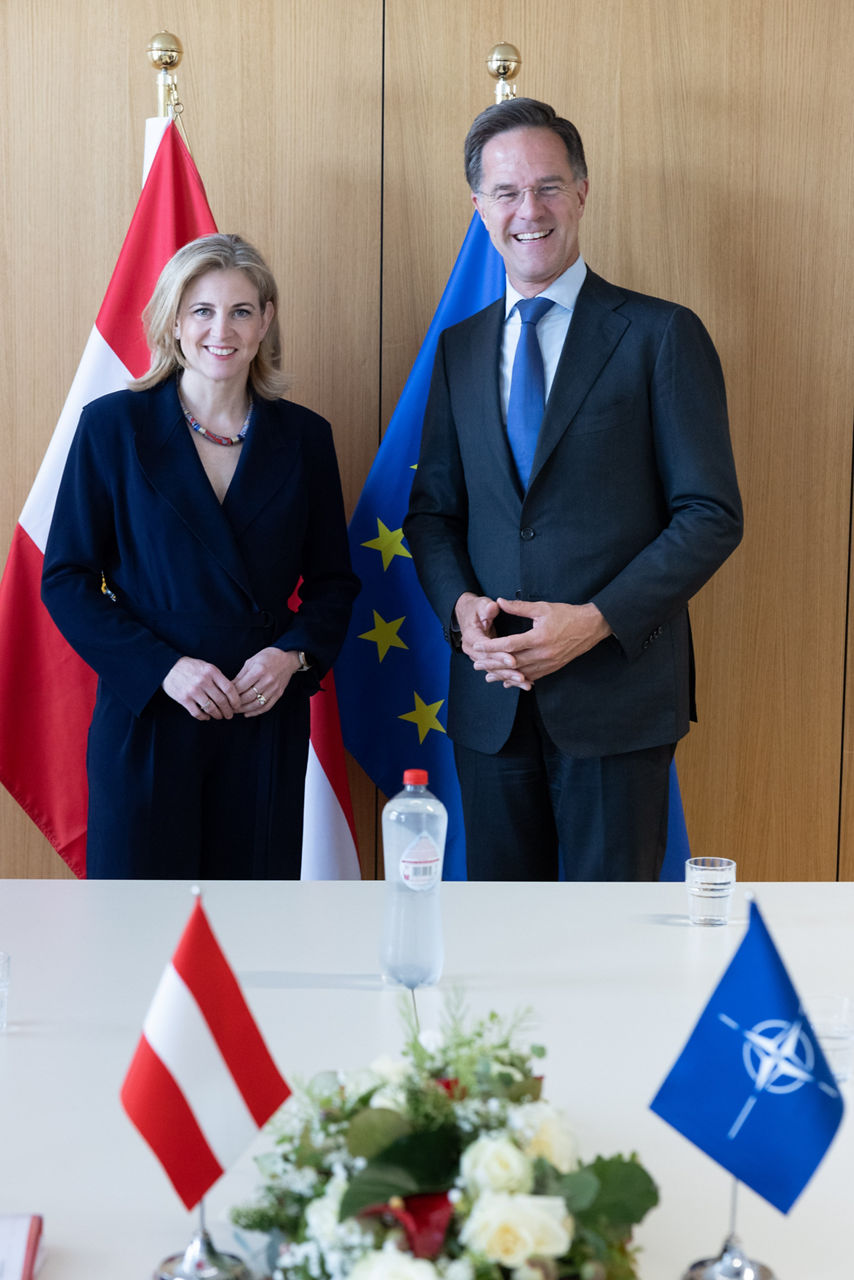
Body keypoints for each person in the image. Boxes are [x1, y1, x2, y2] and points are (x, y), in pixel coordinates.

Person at [404, 99, 742, 882]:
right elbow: (433, 514)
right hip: (491, 701)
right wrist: (461, 612)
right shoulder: (459, 350)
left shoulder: (661, 334)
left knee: (611, 937)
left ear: (582, 192)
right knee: (500, 936)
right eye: (507, 192)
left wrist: (593, 622)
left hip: (616, 701)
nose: (529, 210)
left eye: (548, 187)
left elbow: (710, 515)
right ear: (479, 207)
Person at [42, 234, 359, 879]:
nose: (222, 330)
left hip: (261, 714)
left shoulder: (305, 437)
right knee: (137, 925)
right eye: (203, 311)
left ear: (265, 321)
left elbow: (333, 583)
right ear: (175, 323)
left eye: (241, 311)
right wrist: (163, 669)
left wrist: (292, 656)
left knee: (248, 926)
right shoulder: (113, 426)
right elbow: (66, 578)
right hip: (150, 713)